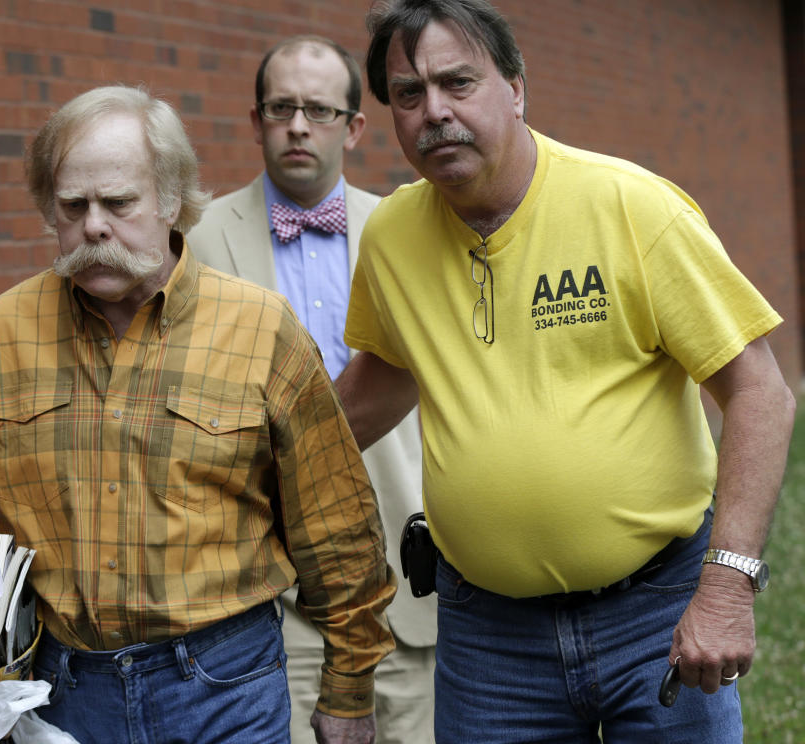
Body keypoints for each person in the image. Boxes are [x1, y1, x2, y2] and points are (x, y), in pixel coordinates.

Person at [336, 1, 796, 741]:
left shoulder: (629, 208)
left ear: (516, 87)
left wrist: (725, 588)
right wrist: (252, 461)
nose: (434, 112)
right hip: (489, 640)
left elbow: (760, 394)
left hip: (657, 613)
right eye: (408, 94)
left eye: (459, 83)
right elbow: (384, 377)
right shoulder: (390, 237)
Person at [0, 85, 396, 744]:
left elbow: (337, 529)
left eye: (118, 202)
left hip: (225, 686)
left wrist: (347, 689)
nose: (94, 225)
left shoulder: (259, 329)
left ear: (170, 200)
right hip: (58, 695)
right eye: (73, 206)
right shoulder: (0, 334)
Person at [187, 35, 436, 743]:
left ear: (355, 127)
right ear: (257, 119)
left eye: (320, 110)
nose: (299, 125)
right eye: (282, 107)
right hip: (273, 590)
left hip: (405, 583)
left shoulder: (410, 230)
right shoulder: (197, 242)